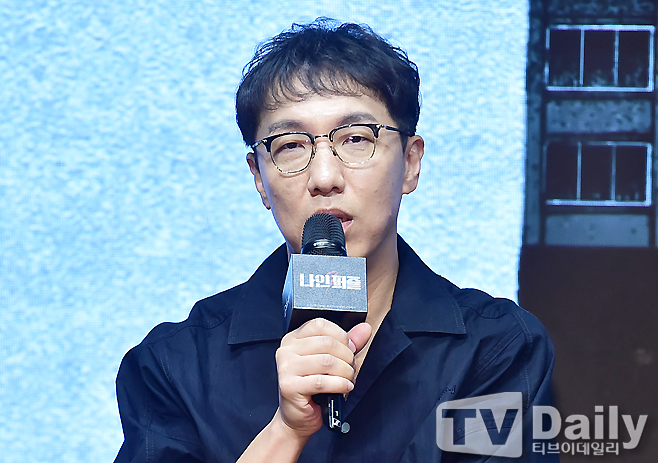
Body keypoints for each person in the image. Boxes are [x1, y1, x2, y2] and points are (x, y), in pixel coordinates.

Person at [114, 18, 557, 462]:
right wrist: (286, 432)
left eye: (356, 139)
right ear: (259, 179)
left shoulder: (496, 349)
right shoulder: (174, 365)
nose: (325, 177)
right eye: (291, 145)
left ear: (410, 162)